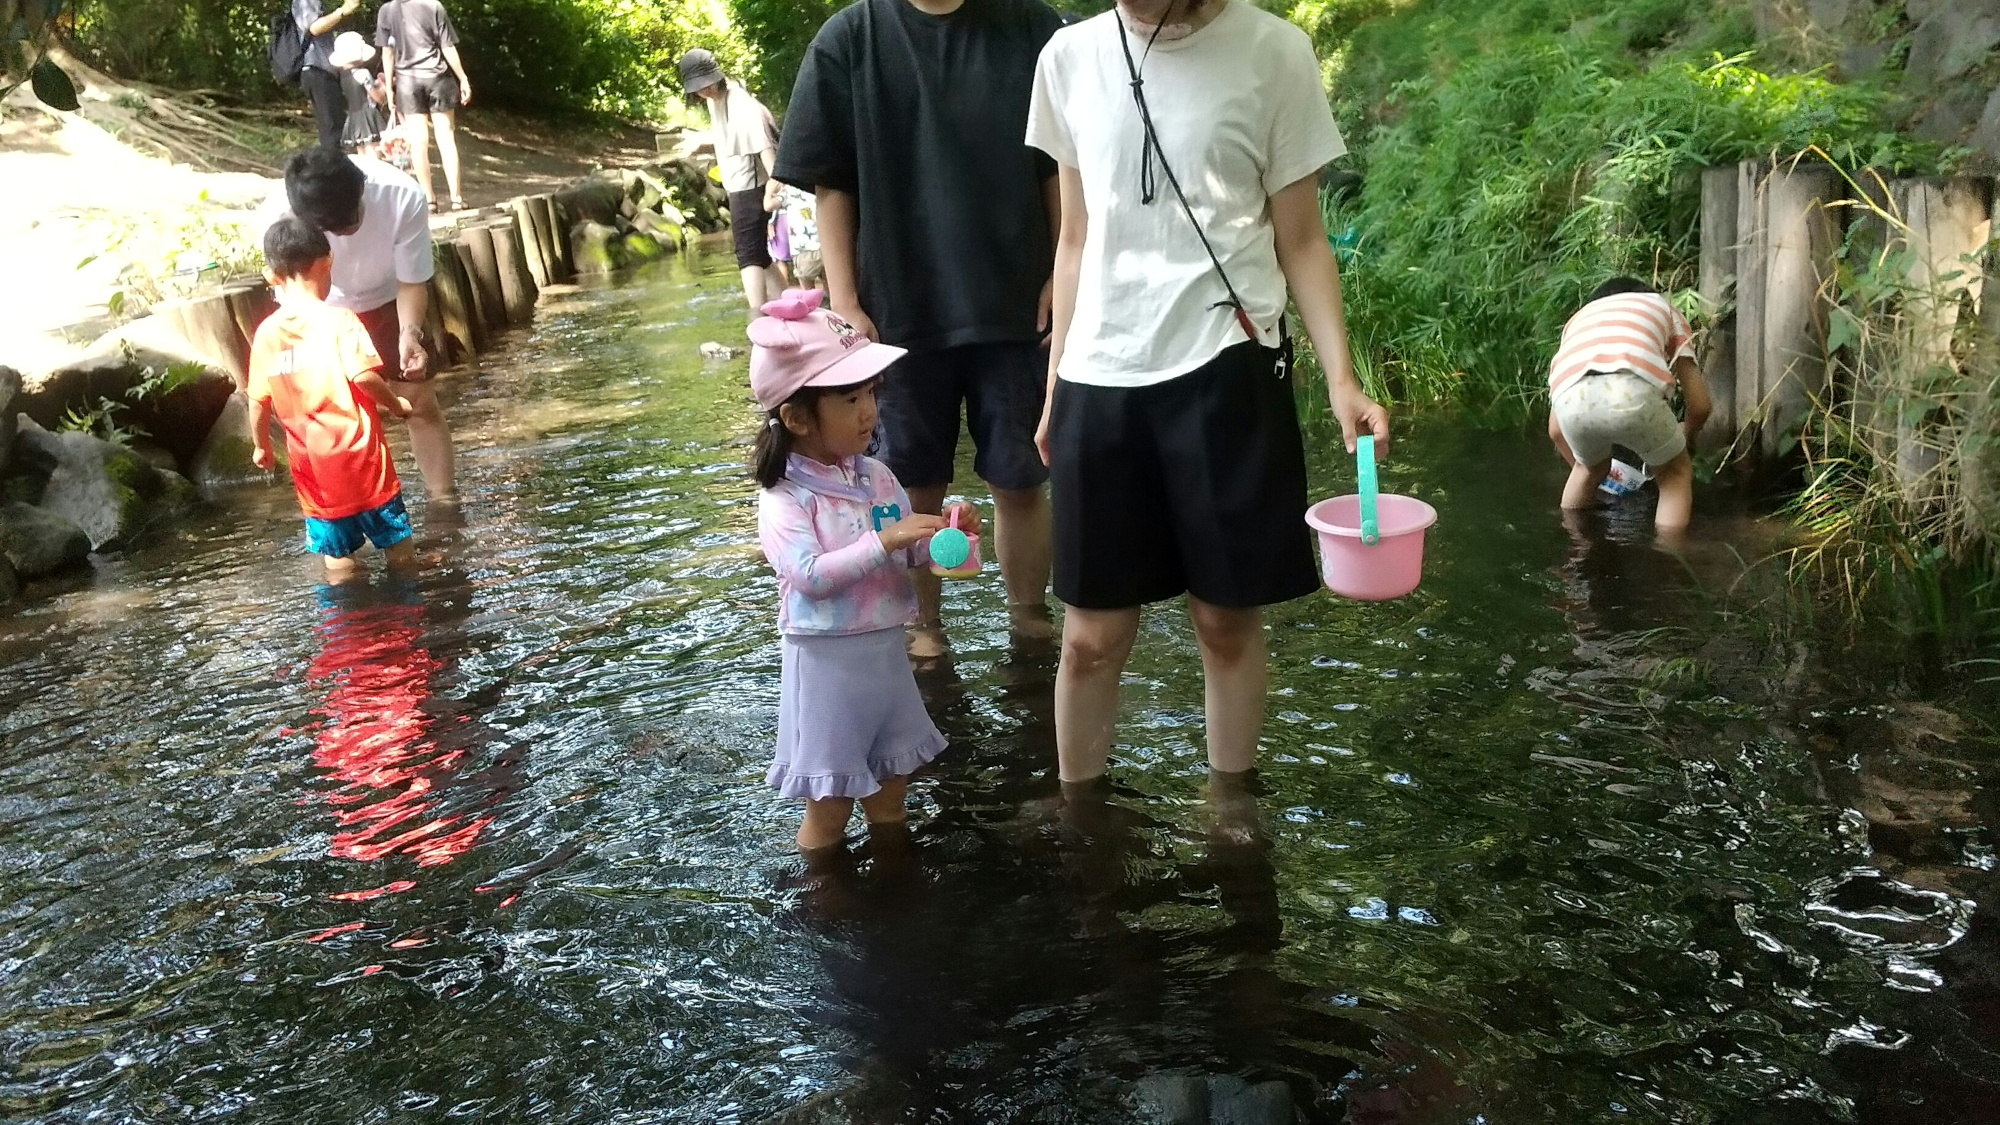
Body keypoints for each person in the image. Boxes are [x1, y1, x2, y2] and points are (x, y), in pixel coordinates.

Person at [1026, 0, 1391, 785]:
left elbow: (1301, 239)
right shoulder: (1067, 57)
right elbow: (1076, 236)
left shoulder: (1275, 52)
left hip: (1228, 359)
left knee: (1224, 620)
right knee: (1089, 637)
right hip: (1098, 371)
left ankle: (1233, 816)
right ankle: (1081, 823)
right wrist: (1055, 384)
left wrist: (1342, 379)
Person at [776, 0, 1064, 657]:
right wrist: (845, 299)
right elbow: (832, 184)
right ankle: (920, 624)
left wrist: (1061, 274)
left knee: (1022, 475)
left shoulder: (1031, 28)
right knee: (905, 480)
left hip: (1019, 302)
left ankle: (1029, 618)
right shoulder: (849, 40)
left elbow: (1060, 169)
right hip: (893, 308)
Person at [751, 289, 975, 850]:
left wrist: (945, 536)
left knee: (892, 793)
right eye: (850, 399)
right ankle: (825, 903)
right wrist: (887, 538)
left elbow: (907, 552)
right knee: (829, 808)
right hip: (826, 665)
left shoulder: (874, 476)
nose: (870, 411)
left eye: (871, 393)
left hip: (885, 657)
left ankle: (896, 894)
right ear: (798, 416)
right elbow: (809, 575)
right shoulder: (784, 496)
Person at [257, 147, 458, 499]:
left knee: (418, 400)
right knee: (330, 416)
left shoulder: (401, 194)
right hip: (317, 311)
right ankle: (346, 509)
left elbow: (412, 281)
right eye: (340, 226)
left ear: (361, 186)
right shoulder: (276, 217)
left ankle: (443, 502)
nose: (353, 226)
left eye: (355, 214)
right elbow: (286, 289)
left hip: (387, 299)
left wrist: (409, 334)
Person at [248, 214, 418, 579]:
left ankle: (350, 624)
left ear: (271, 278)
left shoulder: (265, 335)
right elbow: (363, 376)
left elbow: (257, 400)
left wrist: (261, 446)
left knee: (338, 560)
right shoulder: (340, 320)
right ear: (328, 263)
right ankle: (409, 611)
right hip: (365, 465)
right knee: (398, 547)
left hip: (315, 477)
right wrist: (396, 404)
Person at [1547, 278, 1713, 530]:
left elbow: (1555, 431)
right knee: (1673, 473)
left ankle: (1576, 548)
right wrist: (1687, 433)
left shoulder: (1578, 322)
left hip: (1570, 398)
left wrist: (1588, 466)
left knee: (1586, 470)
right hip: (1632, 390)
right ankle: (1671, 559)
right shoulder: (1665, 308)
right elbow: (1701, 406)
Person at [679, 49, 785, 311]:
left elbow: (763, 145)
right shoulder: (716, 99)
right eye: (698, 87)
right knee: (758, 254)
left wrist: (777, 182)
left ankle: (757, 316)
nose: (703, 91)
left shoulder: (741, 103)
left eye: (706, 84)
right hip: (740, 186)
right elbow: (728, 136)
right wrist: (700, 140)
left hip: (751, 188)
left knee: (747, 256)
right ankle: (790, 303)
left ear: (717, 77)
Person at [376, 0, 472, 213]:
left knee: (418, 142)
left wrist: (390, 89)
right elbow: (447, 46)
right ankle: (456, 198)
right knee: (446, 138)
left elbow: (387, 53)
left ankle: (429, 200)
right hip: (437, 77)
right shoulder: (433, 6)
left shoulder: (387, 11)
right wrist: (463, 78)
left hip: (407, 83)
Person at [293, 0, 364, 150]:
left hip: (323, 71)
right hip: (316, 70)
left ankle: (336, 166)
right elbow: (314, 28)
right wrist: (342, 10)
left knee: (335, 125)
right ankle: (334, 169)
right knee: (333, 130)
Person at [329, 32, 385, 159]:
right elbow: (375, 96)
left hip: (353, 116)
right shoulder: (363, 73)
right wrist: (382, 91)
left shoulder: (343, 77)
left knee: (362, 152)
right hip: (368, 115)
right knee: (374, 153)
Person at [765, 180, 824, 290]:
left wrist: (769, 191)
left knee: (808, 294)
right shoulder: (820, 187)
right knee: (832, 292)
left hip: (803, 251)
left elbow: (768, 206)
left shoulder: (790, 191)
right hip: (826, 248)